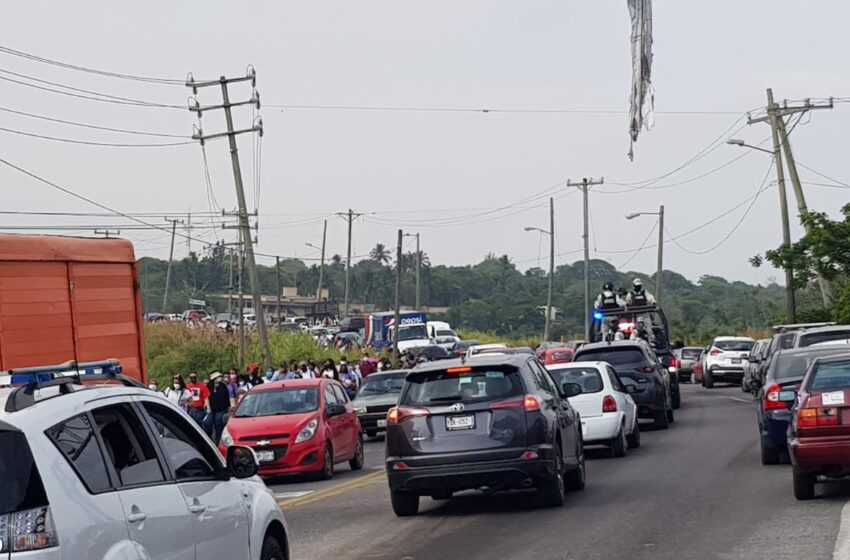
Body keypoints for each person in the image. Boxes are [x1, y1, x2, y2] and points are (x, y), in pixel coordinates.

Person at [204, 372, 234, 443]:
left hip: (221, 409)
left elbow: (227, 397)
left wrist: (228, 407)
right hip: (211, 410)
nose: (219, 378)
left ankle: (218, 440)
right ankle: (209, 439)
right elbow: (206, 397)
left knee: (218, 423)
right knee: (207, 424)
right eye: (218, 377)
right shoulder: (209, 386)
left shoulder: (223, 386)